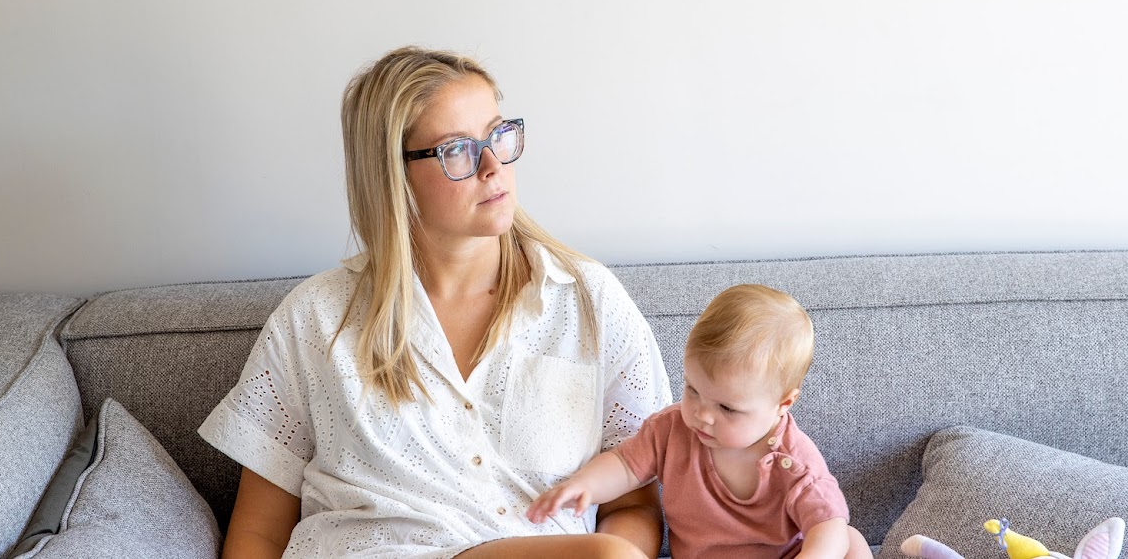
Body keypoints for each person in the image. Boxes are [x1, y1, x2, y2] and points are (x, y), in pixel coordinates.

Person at [198, 46, 673, 559]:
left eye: (498, 135)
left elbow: (636, 506)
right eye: (458, 150)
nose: (493, 165)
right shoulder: (314, 319)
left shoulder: (588, 300)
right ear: (394, 175)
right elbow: (259, 533)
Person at [527, 284, 874, 559]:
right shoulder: (671, 429)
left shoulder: (793, 461)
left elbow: (827, 524)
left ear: (782, 404)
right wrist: (585, 485)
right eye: (693, 390)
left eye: (727, 408)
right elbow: (625, 465)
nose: (702, 415)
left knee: (850, 541)